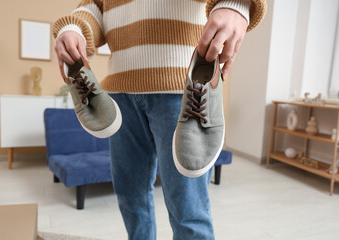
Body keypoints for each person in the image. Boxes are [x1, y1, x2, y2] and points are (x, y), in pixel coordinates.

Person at [53, 0, 266, 239]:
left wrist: (236, 4)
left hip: (184, 93)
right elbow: (96, 6)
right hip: (120, 95)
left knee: (188, 211)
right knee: (130, 198)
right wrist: (72, 29)